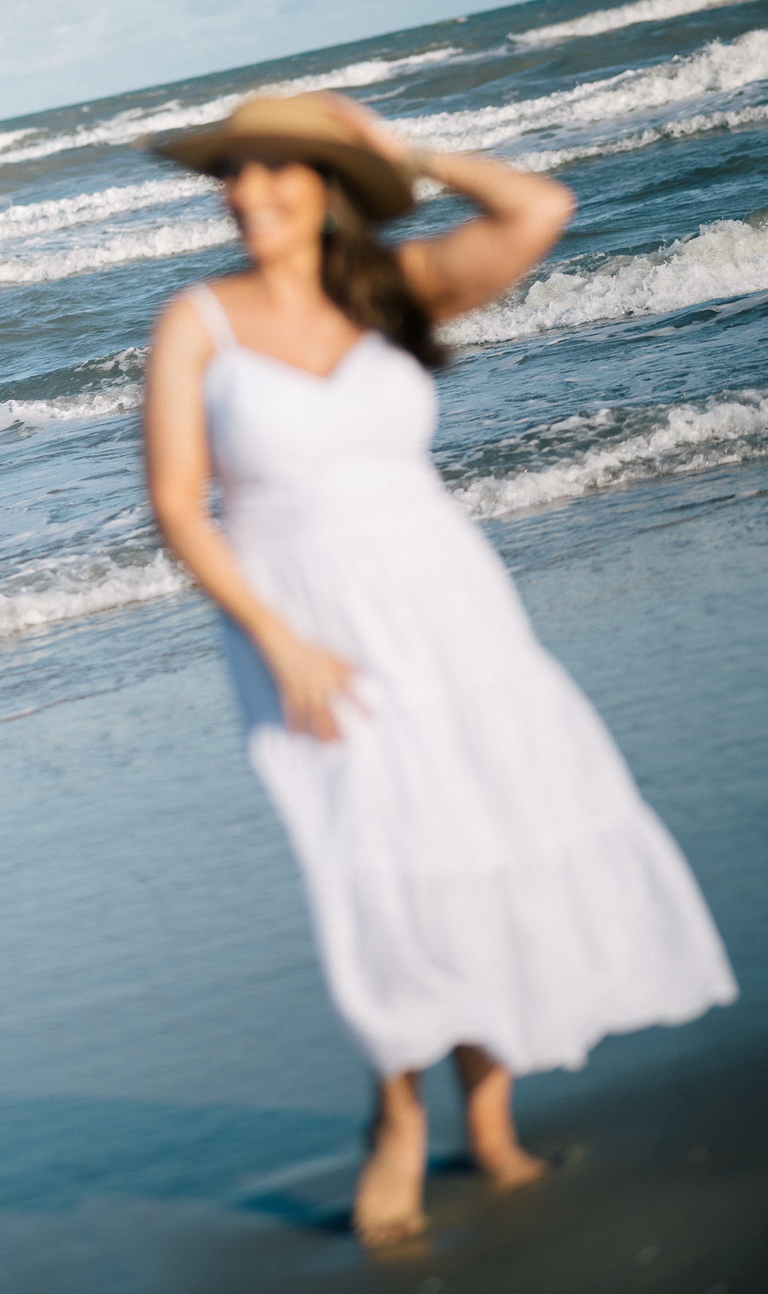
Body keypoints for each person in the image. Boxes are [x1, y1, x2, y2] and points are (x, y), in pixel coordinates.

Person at [141, 91, 737, 1249]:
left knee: (487, 836)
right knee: (379, 867)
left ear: (326, 187)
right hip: (305, 632)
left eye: (278, 170)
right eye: (236, 173)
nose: (248, 192)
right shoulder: (197, 322)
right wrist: (279, 641)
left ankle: (493, 1117)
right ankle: (399, 1117)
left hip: (450, 607)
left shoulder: (393, 291)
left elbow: (539, 204)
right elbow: (178, 504)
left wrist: (403, 151)